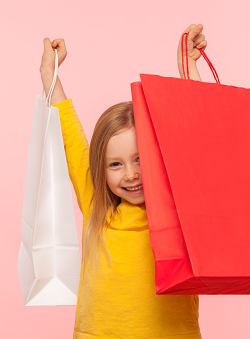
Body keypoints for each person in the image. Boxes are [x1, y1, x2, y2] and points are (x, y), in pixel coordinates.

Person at [40, 23, 208, 339]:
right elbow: (70, 136)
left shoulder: (177, 206)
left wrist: (188, 67)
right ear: (99, 170)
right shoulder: (96, 202)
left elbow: (196, 139)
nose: (130, 174)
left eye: (140, 159)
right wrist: (50, 74)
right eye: (115, 164)